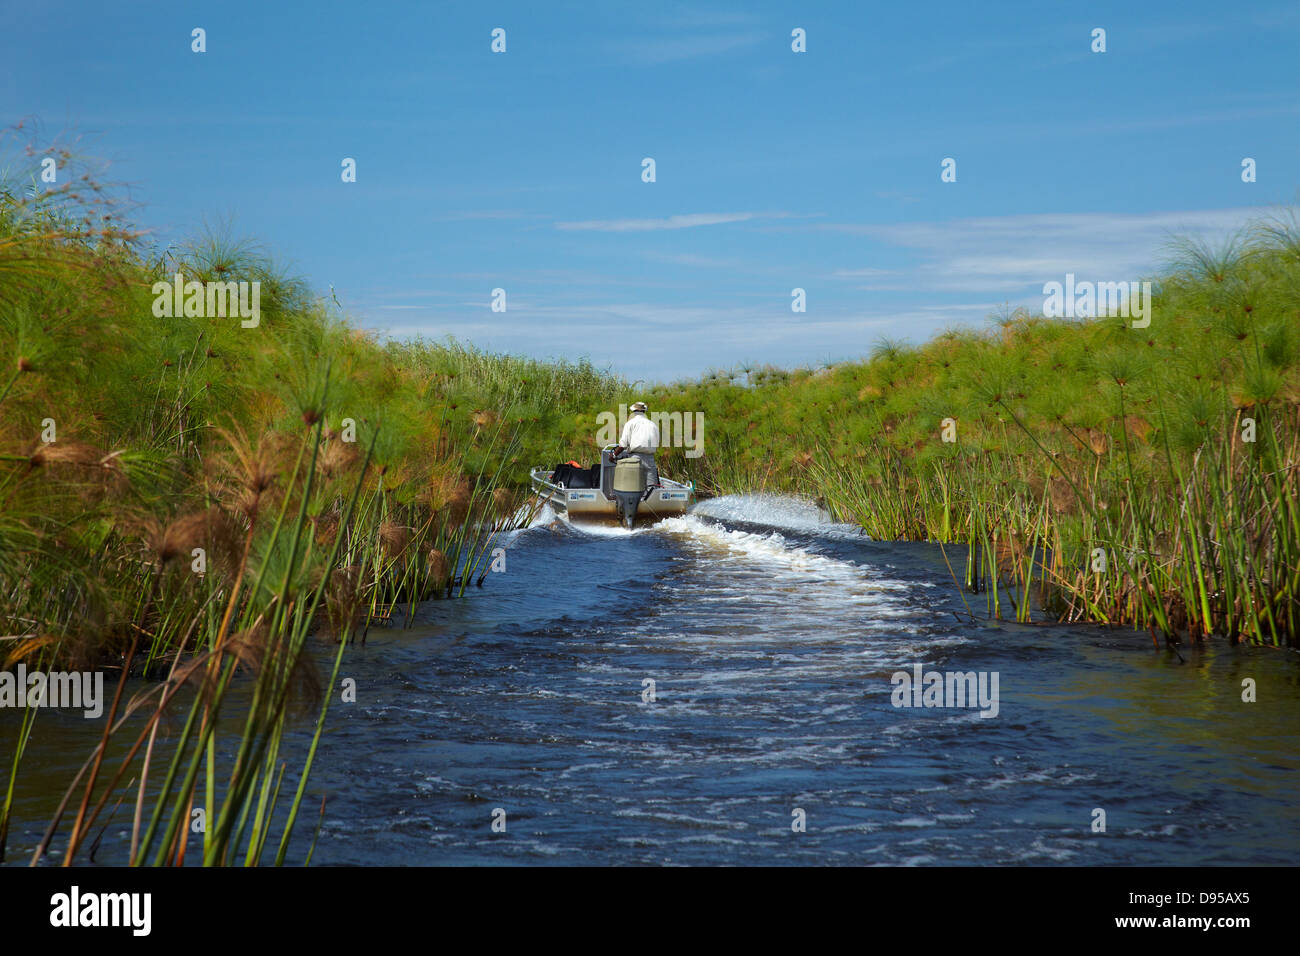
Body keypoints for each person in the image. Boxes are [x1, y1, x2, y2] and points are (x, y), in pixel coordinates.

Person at [615, 401, 660, 487]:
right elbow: (657, 442)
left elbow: (623, 444)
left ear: (634, 412)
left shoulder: (630, 423)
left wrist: (614, 455)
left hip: (635, 459)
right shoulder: (653, 425)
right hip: (650, 459)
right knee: (651, 488)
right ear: (644, 411)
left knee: (634, 487)